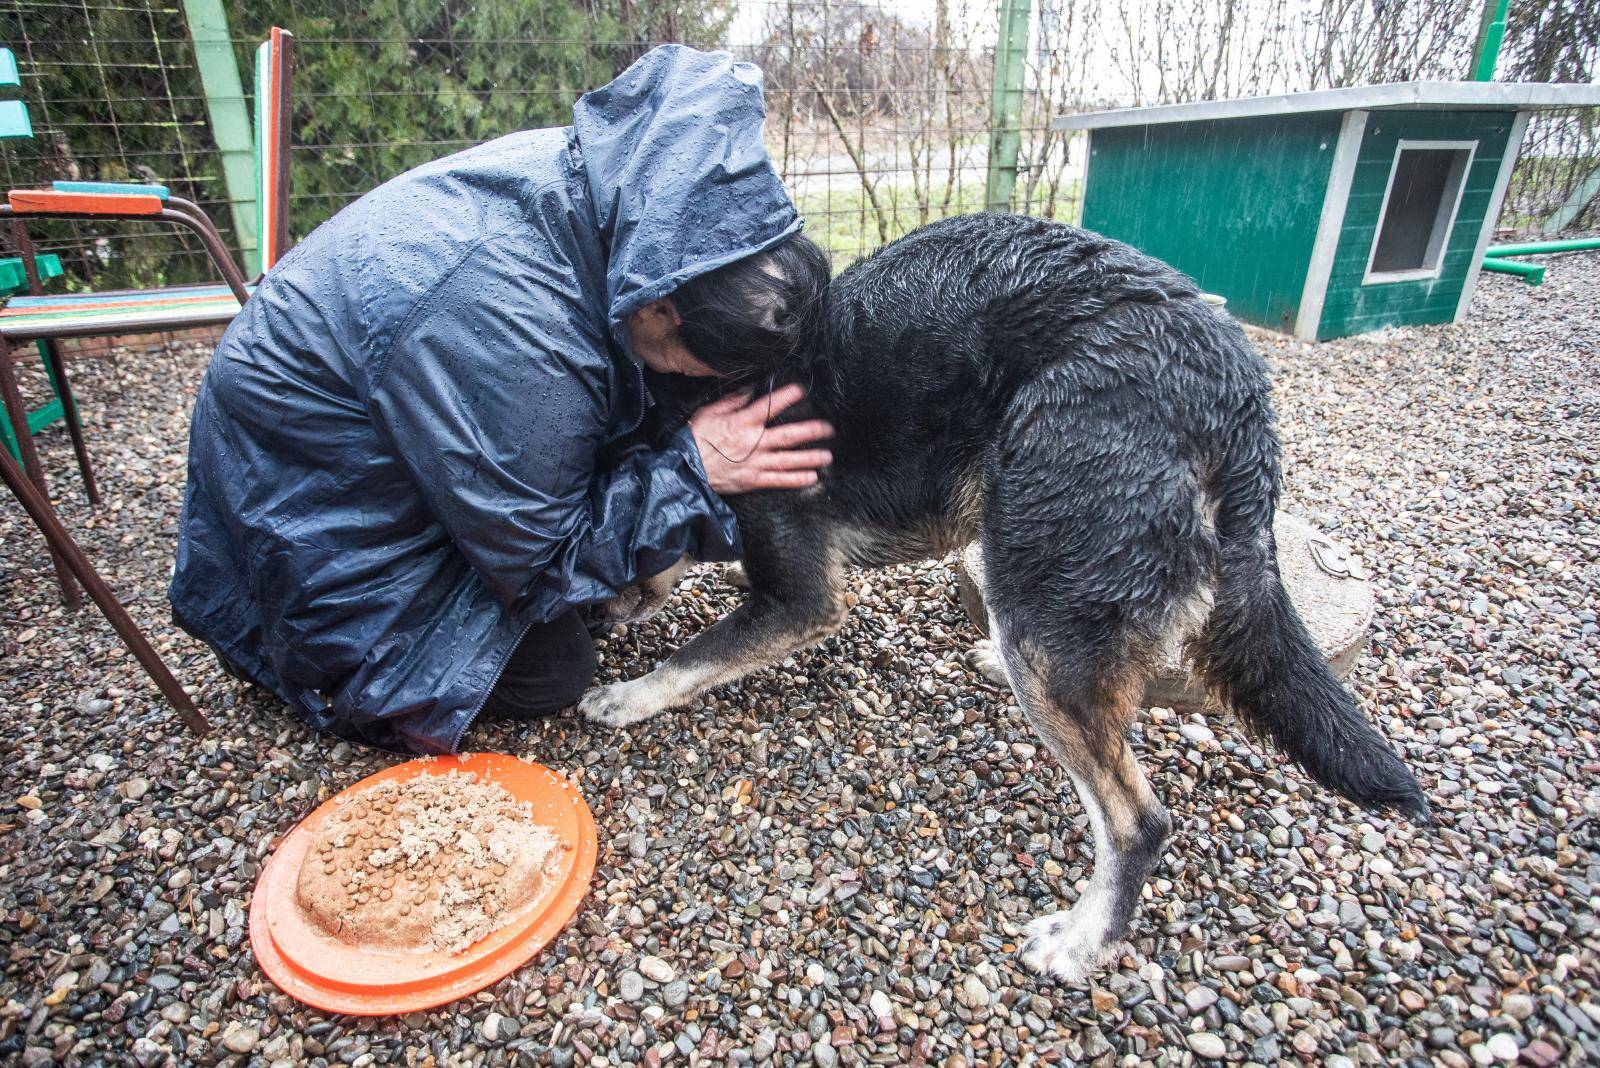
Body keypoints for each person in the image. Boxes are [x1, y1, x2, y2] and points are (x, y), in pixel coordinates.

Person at [169, 45, 834, 753]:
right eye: (699, 364)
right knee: (555, 670)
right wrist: (691, 473)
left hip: (352, 456)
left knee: (594, 581)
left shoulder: (622, 196)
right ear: (663, 308)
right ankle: (316, 669)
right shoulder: (514, 331)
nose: (700, 383)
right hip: (314, 527)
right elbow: (544, 563)